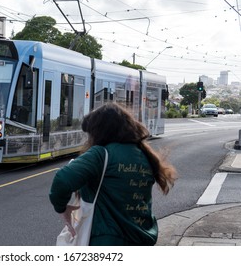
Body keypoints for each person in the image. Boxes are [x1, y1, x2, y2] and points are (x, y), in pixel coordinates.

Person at [49, 103, 177, 246]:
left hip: (107, 240)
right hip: (142, 237)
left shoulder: (101, 154)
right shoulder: (144, 155)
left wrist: (62, 208)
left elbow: (62, 180)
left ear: (100, 131)